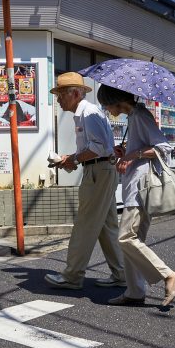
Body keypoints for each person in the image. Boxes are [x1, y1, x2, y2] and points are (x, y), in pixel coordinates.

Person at [97, 85, 175, 306]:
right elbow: (143, 148)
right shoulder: (133, 117)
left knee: (125, 237)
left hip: (140, 188)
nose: (107, 109)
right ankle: (135, 291)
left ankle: (169, 275)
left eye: (106, 105)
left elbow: (163, 147)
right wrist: (126, 151)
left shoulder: (139, 116)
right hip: (137, 187)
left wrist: (131, 155)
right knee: (134, 242)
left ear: (116, 101)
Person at [44, 72, 126, 290]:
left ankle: (72, 276)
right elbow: (101, 147)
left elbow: (98, 148)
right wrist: (72, 159)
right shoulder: (87, 112)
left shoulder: (87, 113)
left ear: (75, 94)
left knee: (85, 223)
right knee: (107, 227)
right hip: (102, 169)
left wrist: (72, 159)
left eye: (61, 95)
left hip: (98, 172)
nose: (58, 99)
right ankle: (121, 274)